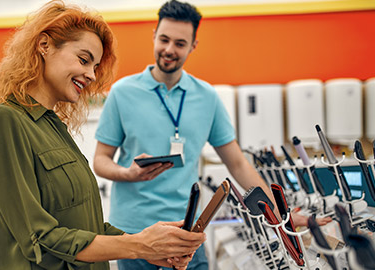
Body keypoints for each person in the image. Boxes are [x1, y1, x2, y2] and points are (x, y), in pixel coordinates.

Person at [93, 1, 331, 270]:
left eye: (180, 44)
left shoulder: (207, 97)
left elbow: (238, 164)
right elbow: (100, 160)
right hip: (134, 233)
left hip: (188, 230)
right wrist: (128, 173)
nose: (169, 50)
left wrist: (280, 216)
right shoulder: (123, 92)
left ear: (193, 45)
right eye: (164, 39)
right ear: (154, 35)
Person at [0, 1, 206, 269]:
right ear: (44, 45)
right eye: (84, 60)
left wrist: (147, 243)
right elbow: (37, 238)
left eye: (95, 67)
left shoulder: (53, 127)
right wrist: (138, 246)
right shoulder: (5, 121)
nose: (91, 75)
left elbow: (87, 226)